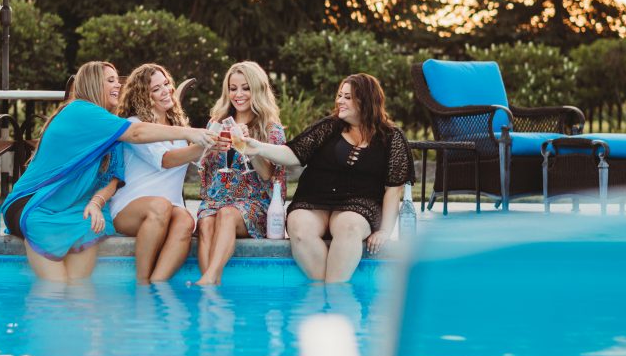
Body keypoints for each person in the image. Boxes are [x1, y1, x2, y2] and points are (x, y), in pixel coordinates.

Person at [2, 61, 214, 283]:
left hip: (69, 208)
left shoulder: (110, 128)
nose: (118, 86)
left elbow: (113, 177)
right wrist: (192, 132)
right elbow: (137, 133)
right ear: (94, 84)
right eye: (110, 80)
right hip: (32, 203)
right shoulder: (80, 111)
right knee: (57, 287)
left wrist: (95, 202)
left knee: (86, 257)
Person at [245, 73, 412, 283]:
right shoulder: (328, 127)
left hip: (361, 204)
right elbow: (293, 155)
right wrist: (258, 147)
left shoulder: (391, 138)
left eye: (347, 97)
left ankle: (333, 291)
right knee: (299, 227)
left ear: (366, 100)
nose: (339, 101)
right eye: (340, 95)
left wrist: (385, 231)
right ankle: (326, 292)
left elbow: (393, 189)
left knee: (348, 227)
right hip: (314, 199)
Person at [110, 64, 205, 283]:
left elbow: (198, 159)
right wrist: (202, 145)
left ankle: (157, 284)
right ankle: (142, 283)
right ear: (143, 96)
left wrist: (217, 142)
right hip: (130, 208)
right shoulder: (135, 126)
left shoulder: (178, 126)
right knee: (160, 205)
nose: (166, 91)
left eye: (166, 84)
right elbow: (166, 159)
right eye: (156, 89)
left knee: (185, 220)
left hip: (169, 207)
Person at [196, 61, 286, 285]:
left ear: (257, 89)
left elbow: (267, 175)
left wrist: (248, 146)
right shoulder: (216, 123)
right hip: (217, 198)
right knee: (206, 221)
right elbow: (205, 167)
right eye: (233, 88)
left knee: (227, 214)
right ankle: (211, 286)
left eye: (245, 88)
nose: (238, 94)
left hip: (253, 202)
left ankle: (207, 280)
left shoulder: (270, 129)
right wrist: (208, 149)